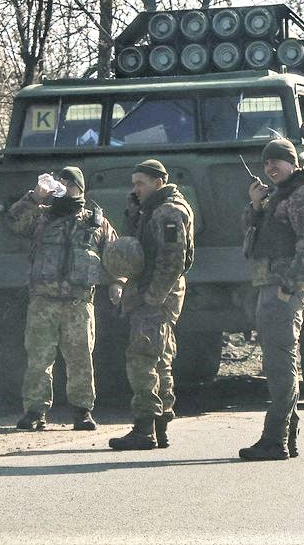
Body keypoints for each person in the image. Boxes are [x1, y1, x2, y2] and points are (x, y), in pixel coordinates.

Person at [7, 167, 122, 431]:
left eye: (70, 184)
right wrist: (36, 197)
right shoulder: (41, 216)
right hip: (43, 301)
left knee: (81, 358)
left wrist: (117, 283)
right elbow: (13, 221)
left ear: (80, 188)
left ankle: (83, 412)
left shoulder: (96, 222)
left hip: (78, 303)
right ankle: (35, 411)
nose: (64, 187)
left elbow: (114, 255)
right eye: (62, 182)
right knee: (38, 358)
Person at [238, 139, 304, 461]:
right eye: (266, 164)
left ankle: (275, 439)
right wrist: (256, 206)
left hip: (282, 289)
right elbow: (252, 234)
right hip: (271, 286)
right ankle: (286, 436)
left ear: (292, 162)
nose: (271, 168)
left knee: (279, 365)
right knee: (278, 363)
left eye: (277, 162)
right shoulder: (279, 195)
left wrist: (288, 287)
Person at [109, 159, 194, 451]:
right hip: (153, 293)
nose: (136, 189)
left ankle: (145, 427)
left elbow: (173, 260)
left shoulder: (169, 212)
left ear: (158, 182)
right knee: (160, 359)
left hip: (157, 295)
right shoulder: (152, 210)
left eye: (140, 183)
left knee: (142, 358)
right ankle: (159, 427)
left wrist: (152, 297)